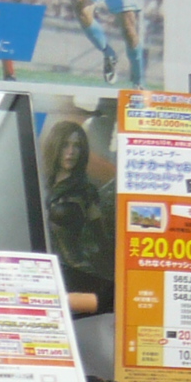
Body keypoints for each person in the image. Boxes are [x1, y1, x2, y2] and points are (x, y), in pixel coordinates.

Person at [39, 118, 115, 315]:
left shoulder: (85, 191)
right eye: (65, 145)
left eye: (77, 146)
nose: (71, 152)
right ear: (55, 146)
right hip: (41, 276)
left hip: (77, 278)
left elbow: (101, 240)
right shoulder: (38, 184)